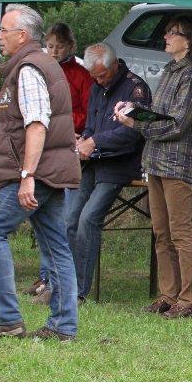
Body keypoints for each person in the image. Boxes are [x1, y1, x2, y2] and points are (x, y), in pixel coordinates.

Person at [0, 4, 80, 341]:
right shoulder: (40, 64)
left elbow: (36, 124)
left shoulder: (29, 68)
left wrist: (27, 174)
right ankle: (63, 326)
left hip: (35, 173)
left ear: (22, 35)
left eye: (3, 30)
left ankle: (4, 318)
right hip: (49, 170)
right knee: (56, 245)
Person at [113, 14, 192, 319]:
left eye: (173, 32)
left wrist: (138, 126)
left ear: (189, 41)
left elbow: (179, 124)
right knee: (161, 233)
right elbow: (158, 114)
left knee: (180, 232)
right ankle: (168, 294)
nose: (166, 36)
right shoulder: (171, 70)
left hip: (176, 163)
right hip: (155, 161)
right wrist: (134, 112)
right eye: (167, 32)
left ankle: (190, 300)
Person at [65, 42, 151, 303]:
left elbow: (134, 131)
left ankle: (79, 291)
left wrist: (96, 142)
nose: (99, 81)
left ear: (116, 65)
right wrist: (83, 141)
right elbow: (91, 126)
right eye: (95, 77)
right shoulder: (95, 87)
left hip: (120, 163)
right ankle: (63, 283)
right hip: (93, 161)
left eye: (103, 75)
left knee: (88, 219)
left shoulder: (136, 88)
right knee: (69, 219)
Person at [24, 22, 92, 302]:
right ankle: (45, 275)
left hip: (67, 143)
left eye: (60, 47)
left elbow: (86, 111)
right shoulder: (39, 68)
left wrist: (63, 126)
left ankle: (57, 281)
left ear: (70, 47)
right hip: (41, 143)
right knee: (40, 211)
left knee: (61, 214)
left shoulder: (79, 74)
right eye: (50, 46)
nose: (54, 51)